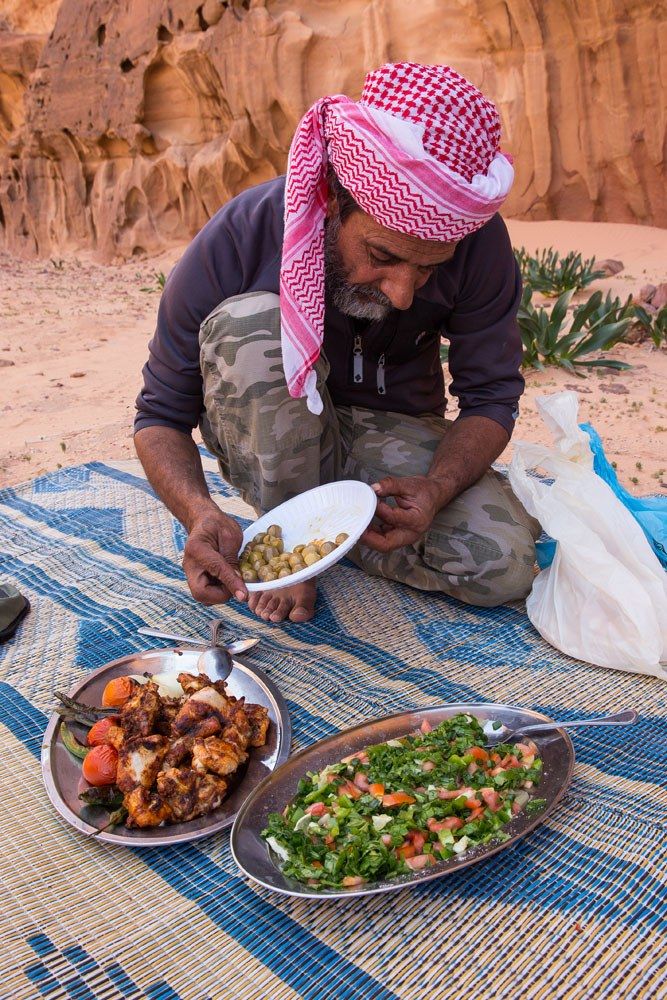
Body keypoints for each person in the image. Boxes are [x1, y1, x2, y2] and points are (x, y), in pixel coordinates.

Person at [134, 62, 540, 625]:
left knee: (504, 563)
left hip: (387, 435)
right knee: (253, 327)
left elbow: (491, 398)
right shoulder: (241, 236)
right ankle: (292, 538)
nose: (402, 294)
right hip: (272, 436)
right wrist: (197, 512)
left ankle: (334, 534)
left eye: (427, 270)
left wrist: (438, 488)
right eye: (382, 257)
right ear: (331, 202)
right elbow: (159, 416)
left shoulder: (477, 245)